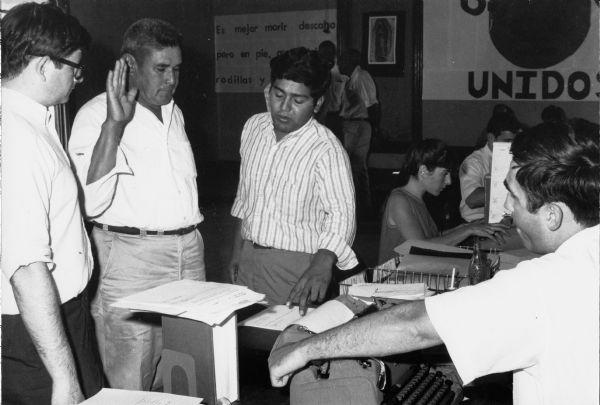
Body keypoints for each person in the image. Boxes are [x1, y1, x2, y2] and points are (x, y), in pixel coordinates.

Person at [269, 122, 600, 405]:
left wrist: (304, 349)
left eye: (513, 198)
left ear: (552, 215)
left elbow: (414, 326)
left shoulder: (543, 285)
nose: (508, 210)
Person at [68, 18, 205, 390]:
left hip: (188, 252)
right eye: (160, 69)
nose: (171, 80)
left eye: (176, 70)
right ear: (129, 65)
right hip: (132, 259)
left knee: (188, 369)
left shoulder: (174, 113)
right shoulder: (96, 114)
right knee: (132, 378)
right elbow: (90, 203)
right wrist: (115, 125)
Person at [1, 3, 104, 403]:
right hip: (36, 332)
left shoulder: (30, 122)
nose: (78, 79)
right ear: (45, 66)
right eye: (74, 68)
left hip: (58, 319)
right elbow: (26, 269)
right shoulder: (18, 139)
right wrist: (63, 377)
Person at [229, 47, 357, 315]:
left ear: (317, 103)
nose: (284, 108)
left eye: (298, 100)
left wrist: (322, 265)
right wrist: (237, 251)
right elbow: (245, 195)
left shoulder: (326, 148)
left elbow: (342, 214)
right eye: (278, 95)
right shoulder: (253, 127)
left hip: (296, 269)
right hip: (249, 258)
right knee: (245, 342)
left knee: (284, 346)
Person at [379, 139, 509, 263]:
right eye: (444, 173)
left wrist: (466, 226)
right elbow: (419, 247)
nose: (449, 181)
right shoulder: (399, 199)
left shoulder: (417, 199)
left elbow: (432, 237)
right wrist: (468, 230)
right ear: (423, 171)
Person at [338, 48, 380, 218]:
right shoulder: (351, 78)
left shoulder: (361, 77)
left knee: (349, 166)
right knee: (356, 169)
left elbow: (373, 105)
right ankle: (361, 208)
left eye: (342, 60)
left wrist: (374, 129)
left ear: (351, 61)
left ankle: (360, 209)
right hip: (355, 125)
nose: (339, 63)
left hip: (357, 125)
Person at [459, 111, 521, 222]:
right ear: (491, 138)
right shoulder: (473, 162)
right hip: (476, 223)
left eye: (514, 141)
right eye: (507, 141)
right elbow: (472, 200)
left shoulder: (516, 158)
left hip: (505, 221)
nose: (512, 146)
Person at [316, 40, 346, 140]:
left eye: (329, 53)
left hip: (334, 117)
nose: (326, 56)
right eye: (324, 53)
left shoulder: (339, 70)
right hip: (323, 115)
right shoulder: (319, 71)